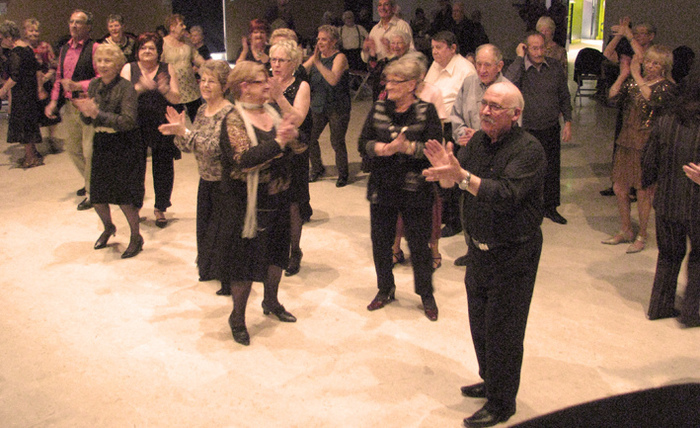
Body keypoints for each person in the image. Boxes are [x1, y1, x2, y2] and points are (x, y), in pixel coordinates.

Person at [422, 81, 546, 428]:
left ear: (515, 114)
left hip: (513, 253)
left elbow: (506, 194)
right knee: (480, 324)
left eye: (496, 107)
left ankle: (502, 403)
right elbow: (455, 184)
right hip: (477, 251)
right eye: (485, 104)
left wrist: (460, 176)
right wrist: (447, 173)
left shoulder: (529, 150)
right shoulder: (477, 141)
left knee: (504, 330)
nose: (486, 111)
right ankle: (491, 381)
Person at [217, 61, 301, 346]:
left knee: (277, 253)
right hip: (246, 204)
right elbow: (244, 159)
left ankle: (271, 302)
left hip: (278, 195)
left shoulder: (271, 111)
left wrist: (290, 134)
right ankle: (238, 318)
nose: (269, 84)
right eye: (262, 81)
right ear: (244, 87)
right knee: (245, 262)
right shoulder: (233, 119)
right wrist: (278, 142)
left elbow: (299, 145)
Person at [359, 56, 443, 321]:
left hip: (415, 187)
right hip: (383, 186)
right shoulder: (378, 108)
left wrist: (407, 148)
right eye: (388, 79)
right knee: (381, 242)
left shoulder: (426, 111)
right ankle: (385, 288)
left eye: (396, 81)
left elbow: (435, 148)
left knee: (419, 244)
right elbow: (363, 143)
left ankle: (426, 293)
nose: (389, 85)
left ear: (412, 85)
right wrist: (386, 149)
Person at [158, 59, 233, 285]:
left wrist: (186, 132)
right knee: (206, 229)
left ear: (224, 86)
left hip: (224, 183)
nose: (205, 85)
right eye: (203, 80)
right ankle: (209, 269)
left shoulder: (229, 113)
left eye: (212, 81)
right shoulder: (201, 110)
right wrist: (178, 134)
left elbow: (215, 147)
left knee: (223, 232)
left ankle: (227, 277)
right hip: (205, 181)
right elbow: (191, 146)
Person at [602, 45, 676, 253]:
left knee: (644, 191)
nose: (650, 66)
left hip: (647, 143)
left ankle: (642, 233)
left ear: (664, 67)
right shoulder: (635, 82)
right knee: (619, 187)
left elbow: (651, 99)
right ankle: (626, 229)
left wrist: (635, 74)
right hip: (626, 139)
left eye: (656, 63)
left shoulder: (667, 87)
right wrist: (624, 75)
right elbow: (612, 97)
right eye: (648, 61)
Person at [73, 43, 144, 259]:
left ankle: (136, 237)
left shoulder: (126, 87)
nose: (102, 65)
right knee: (97, 195)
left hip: (125, 144)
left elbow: (128, 121)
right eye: (100, 61)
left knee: (124, 198)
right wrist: (86, 113)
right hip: (102, 142)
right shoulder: (94, 84)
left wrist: (97, 114)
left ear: (117, 64)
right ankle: (108, 227)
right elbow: (88, 118)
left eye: (107, 61)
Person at [642, 71, 700, 328]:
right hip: (695, 204)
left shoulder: (665, 120)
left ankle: (659, 307)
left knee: (668, 255)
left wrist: (650, 186)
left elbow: (649, 159)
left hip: (666, 201)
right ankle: (692, 312)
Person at [449, 43, 510, 267]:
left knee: (490, 205)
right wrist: (460, 134)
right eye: (478, 64)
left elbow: (514, 127)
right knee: (468, 205)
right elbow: (456, 114)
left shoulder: (508, 89)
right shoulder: (469, 83)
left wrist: (481, 136)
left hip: (496, 158)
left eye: (487, 65)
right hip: (469, 155)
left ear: (499, 66)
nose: (482, 69)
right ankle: (472, 248)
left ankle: (494, 250)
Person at [505, 31, 572, 225]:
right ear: (526, 48)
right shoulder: (519, 68)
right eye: (534, 48)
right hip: (527, 130)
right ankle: (526, 207)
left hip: (550, 126)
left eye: (542, 47)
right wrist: (519, 58)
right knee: (527, 171)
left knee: (552, 169)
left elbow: (564, 96)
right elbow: (507, 83)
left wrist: (568, 121)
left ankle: (550, 207)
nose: (539, 51)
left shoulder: (555, 68)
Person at [121, 32, 181, 228]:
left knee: (163, 167)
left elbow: (176, 98)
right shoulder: (128, 68)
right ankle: (135, 207)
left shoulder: (167, 68)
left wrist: (164, 89)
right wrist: (139, 88)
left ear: (158, 52)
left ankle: (160, 208)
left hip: (161, 123)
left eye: (151, 48)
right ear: (137, 51)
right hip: (135, 125)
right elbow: (121, 100)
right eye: (143, 47)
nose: (147, 51)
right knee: (135, 168)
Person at [45, 9, 99, 210]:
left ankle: (93, 192)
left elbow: (102, 77)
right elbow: (59, 77)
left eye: (79, 22)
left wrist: (79, 85)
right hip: (69, 106)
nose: (74, 25)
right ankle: (91, 182)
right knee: (73, 150)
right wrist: (52, 102)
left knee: (89, 151)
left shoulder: (95, 48)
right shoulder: (64, 49)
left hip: (88, 105)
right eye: (71, 22)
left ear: (88, 27)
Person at [424, 30, 476, 238]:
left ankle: (456, 221)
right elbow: (426, 90)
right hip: (436, 126)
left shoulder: (466, 69)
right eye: (433, 48)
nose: (434, 52)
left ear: (453, 48)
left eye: (439, 47)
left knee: (453, 175)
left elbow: (469, 106)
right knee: (438, 174)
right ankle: (443, 214)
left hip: (454, 129)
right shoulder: (435, 65)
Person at [269, 40, 311, 276]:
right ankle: (275, 249)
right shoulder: (265, 82)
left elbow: (299, 119)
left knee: (293, 205)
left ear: (293, 63)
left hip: (294, 151)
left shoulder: (301, 86)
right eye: (273, 59)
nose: (276, 64)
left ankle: (295, 251)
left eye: (281, 60)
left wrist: (278, 97)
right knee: (273, 202)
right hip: (271, 150)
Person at [303, 25, 351, 187]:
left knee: (336, 141)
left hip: (338, 107)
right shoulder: (317, 57)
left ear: (334, 41)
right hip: (318, 105)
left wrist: (317, 62)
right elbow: (301, 71)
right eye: (318, 39)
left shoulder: (340, 57)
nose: (319, 42)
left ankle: (343, 174)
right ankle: (317, 168)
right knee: (309, 138)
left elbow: (332, 80)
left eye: (324, 39)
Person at [0, 21, 43, 168]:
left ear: (9, 37)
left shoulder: (16, 52)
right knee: (28, 124)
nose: (1, 42)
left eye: (1, 39)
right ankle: (32, 154)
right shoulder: (27, 48)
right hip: (29, 92)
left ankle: (31, 158)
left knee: (24, 125)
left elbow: (14, 77)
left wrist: (3, 90)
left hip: (22, 94)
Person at [23, 18, 61, 154]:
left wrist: (46, 77)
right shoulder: (22, 47)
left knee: (51, 115)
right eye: (31, 30)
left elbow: (54, 65)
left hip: (45, 84)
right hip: (28, 87)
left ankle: (51, 139)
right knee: (32, 117)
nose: (34, 33)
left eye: (36, 30)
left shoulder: (45, 46)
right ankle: (33, 146)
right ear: (25, 32)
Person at [162, 14, 205, 122]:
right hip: (174, 89)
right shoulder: (163, 43)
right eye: (181, 24)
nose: (184, 27)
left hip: (191, 88)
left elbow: (196, 57)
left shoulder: (187, 41)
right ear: (172, 27)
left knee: (197, 120)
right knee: (177, 121)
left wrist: (208, 66)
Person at [361, 0, 413, 64]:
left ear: (393, 8)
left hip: (396, 69)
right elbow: (366, 59)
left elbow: (411, 52)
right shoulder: (375, 29)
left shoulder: (402, 26)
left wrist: (390, 50)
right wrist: (366, 50)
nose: (382, 8)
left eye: (386, 4)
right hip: (379, 71)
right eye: (380, 5)